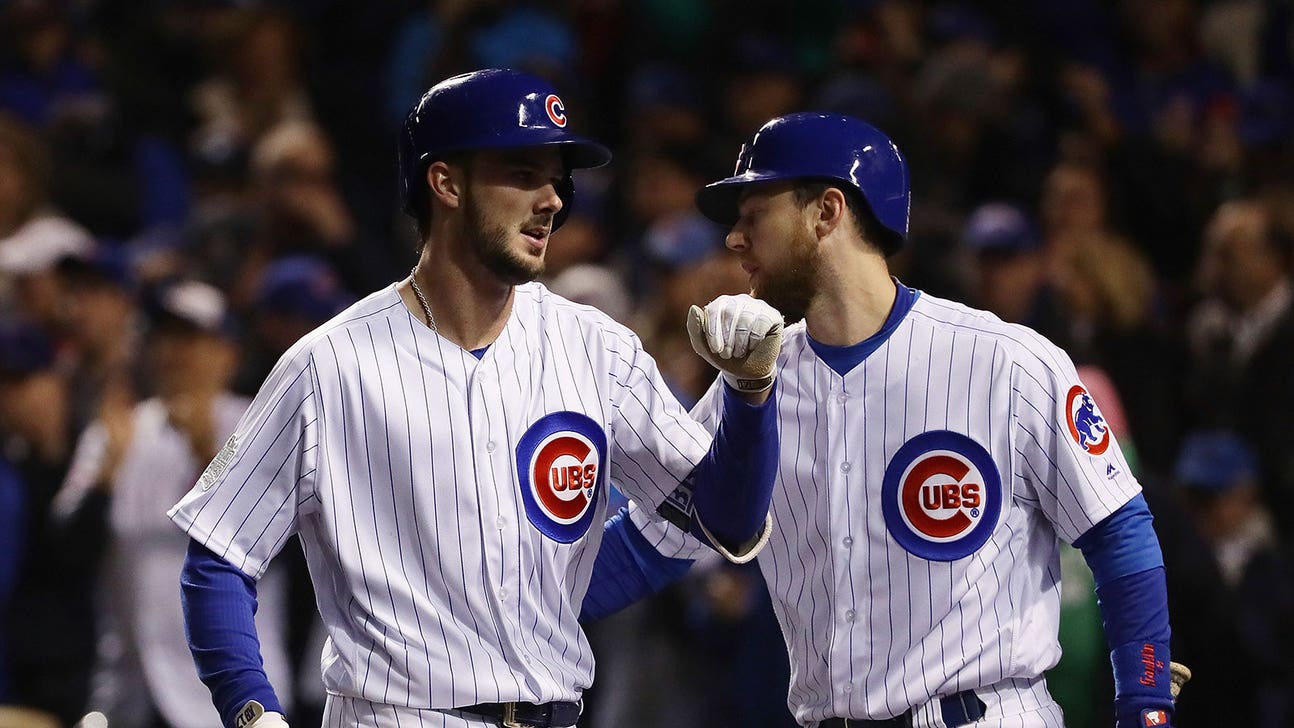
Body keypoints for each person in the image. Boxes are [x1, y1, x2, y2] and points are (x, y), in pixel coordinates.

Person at [166, 68, 783, 728]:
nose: (551, 199)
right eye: (522, 172)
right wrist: (252, 711)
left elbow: (728, 521)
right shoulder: (329, 364)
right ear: (447, 183)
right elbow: (220, 557)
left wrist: (749, 395)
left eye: (557, 178)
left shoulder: (596, 347)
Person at [582, 112, 1180, 727]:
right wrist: (508, 613)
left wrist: (1147, 703)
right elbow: (648, 546)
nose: (734, 239)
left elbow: (1118, 530)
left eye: (753, 211)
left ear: (827, 211)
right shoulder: (753, 384)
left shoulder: (1005, 361)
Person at [52, 280, 297, 728]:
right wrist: (106, 476)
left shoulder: (257, 424)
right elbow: (65, 558)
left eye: (191, 339)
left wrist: (209, 454)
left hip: (228, 694)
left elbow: (284, 554)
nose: (173, 352)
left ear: (228, 353)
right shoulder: (116, 432)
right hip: (129, 691)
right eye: (164, 337)